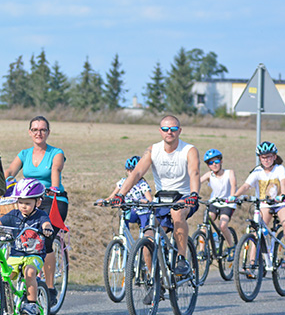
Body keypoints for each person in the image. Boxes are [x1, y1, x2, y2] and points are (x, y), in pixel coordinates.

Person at [110, 115, 200, 276]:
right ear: (160, 131)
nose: (169, 132)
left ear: (179, 131)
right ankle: (153, 280)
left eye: (173, 129)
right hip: (162, 199)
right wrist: (121, 195)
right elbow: (137, 172)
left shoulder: (189, 150)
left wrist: (194, 194)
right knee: (148, 237)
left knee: (177, 212)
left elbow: (194, 172)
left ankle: (181, 258)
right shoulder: (153, 150)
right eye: (165, 129)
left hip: (185, 196)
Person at [3, 115, 67, 307]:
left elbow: (55, 170)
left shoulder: (56, 153)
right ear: (30, 132)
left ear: (48, 132)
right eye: (35, 129)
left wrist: (54, 188)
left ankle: (49, 287)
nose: (39, 133)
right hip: (28, 198)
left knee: (45, 241)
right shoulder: (24, 154)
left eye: (43, 130)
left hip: (53, 199)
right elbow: (9, 173)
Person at [0, 178, 54, 315]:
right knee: (5, 276)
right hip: (16, 254)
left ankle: (31, 304)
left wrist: (47, 228)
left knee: (29, 272)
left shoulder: (40, 215)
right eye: (20, 202)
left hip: (35, 255)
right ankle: (6, 304)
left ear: (38, 202)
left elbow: (46, 223)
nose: (23, 206)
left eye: (28, 203)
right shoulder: (13, 215)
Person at [232, 141, 285, 264]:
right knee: (257, 231)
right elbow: (246, 186)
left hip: (282, 203)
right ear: (259, 158)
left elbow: (283, 183)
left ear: (274, 157)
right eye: (263, 157)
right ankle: (252, 262)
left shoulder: (279, 169)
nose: (266, 160)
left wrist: (282, 195)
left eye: (269, 157)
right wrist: (234, 196)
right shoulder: (257, 171)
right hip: (265, 203)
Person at [99, 155, 153, 233]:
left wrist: (144, 201)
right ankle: (124, 239)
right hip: (129, 210)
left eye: (133, 170)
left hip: (142, 211)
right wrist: (104, 201)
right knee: (123, 220)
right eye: (129, 170)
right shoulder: (122, 182)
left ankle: (144, 241)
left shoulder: (142, 184)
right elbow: (113, 196)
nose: (131, 173)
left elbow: (149, 199)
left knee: (145, 229)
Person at [200, 148, 237, 255]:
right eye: (211, 163)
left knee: (222, 225)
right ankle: (202, 250)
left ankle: (231, 247)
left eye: (216, 161)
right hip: (214, 202)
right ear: (208, 165)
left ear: (221, 161)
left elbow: (233, 185)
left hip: (227, 203)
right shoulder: (209, 175)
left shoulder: (229, 173)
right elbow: (197, 183)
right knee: (205, 224)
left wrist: (232, 196)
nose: (214, 165)